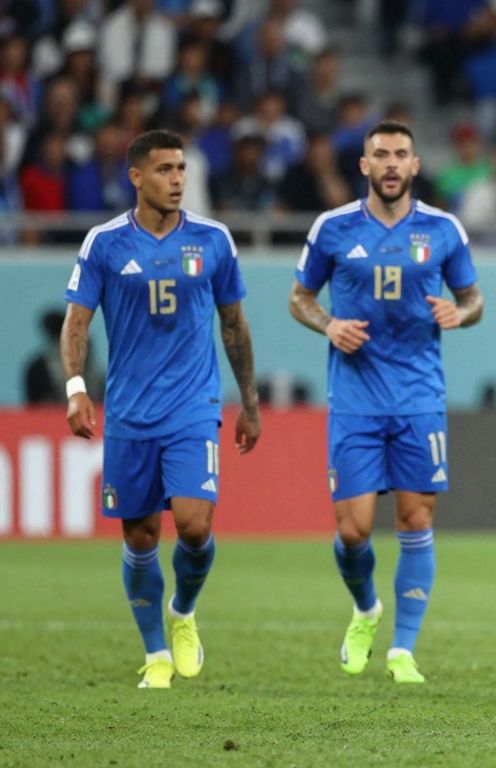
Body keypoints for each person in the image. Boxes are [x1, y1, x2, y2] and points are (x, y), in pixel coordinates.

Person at [60, 129, 261, 689]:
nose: (177, 179)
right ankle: (155, 654)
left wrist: (249, 402)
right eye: (165, 170)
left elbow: (234, 326)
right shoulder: (104, 244)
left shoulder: (214, 240)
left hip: (194, 407)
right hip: (129, 412)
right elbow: (76, 323)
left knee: (194, 527)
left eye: (181, 169)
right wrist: (76, 387)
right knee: (141, 537)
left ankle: (184, 611)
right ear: (136, 177)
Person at [289, 120, 483, 685]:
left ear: (416, 165)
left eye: (402, 154)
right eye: (382, 155)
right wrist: (328, 325)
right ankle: (366, 607)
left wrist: (458, 313)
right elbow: (300, 297)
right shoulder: (333, 228)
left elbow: (473, 300)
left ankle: (403, 648)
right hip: (354, 397)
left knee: (416, 518)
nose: (392, 164)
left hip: (420, 397)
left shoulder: (443, 230)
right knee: (352, 531)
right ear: (365, 166)